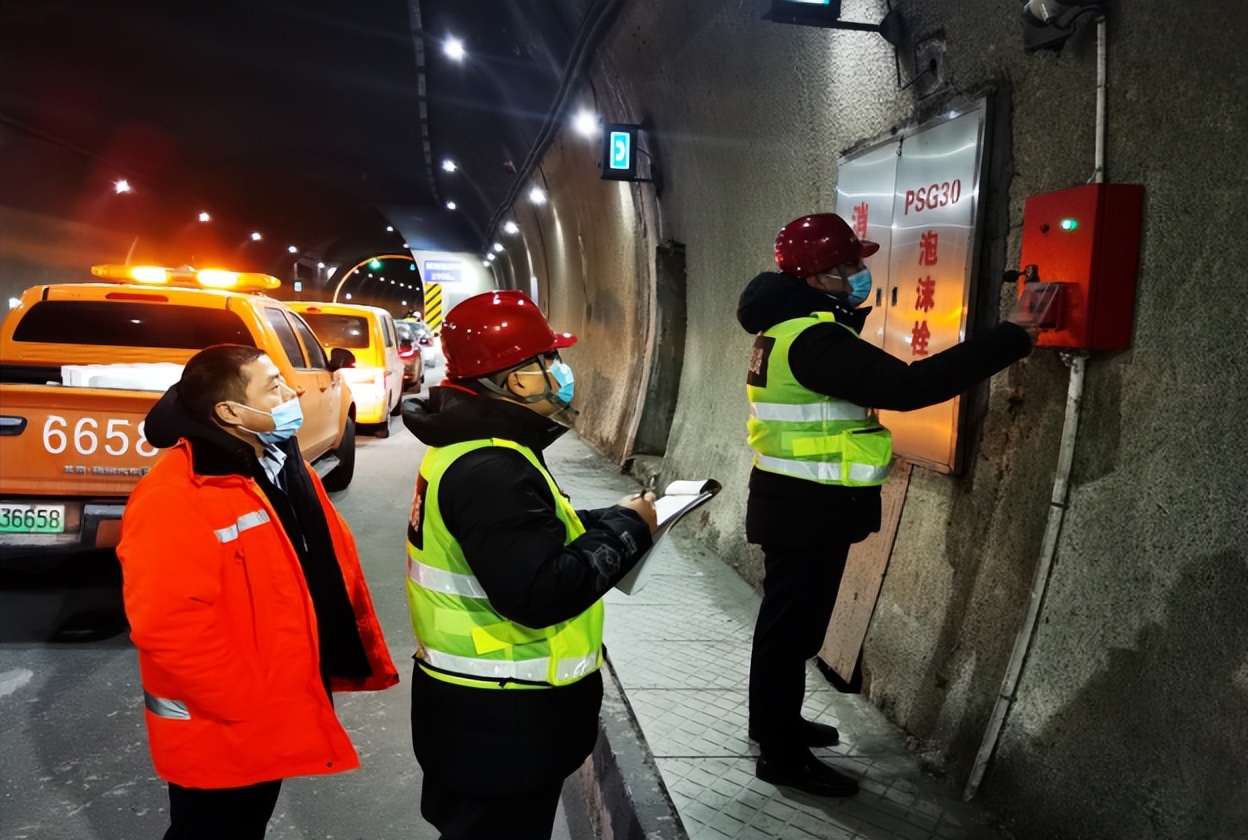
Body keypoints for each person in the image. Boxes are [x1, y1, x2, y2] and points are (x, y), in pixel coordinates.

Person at [737, 213, 1038, 798]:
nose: (859, 273)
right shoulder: (814, 340)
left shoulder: (786, 330)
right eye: (847, 265)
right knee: (789, 633)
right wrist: (1014, 334)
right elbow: (908, 387)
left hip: (794, 500)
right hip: (805, 508)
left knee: (789, 630)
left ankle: (775, 724)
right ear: (814, 277)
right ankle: (781, 755)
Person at [401, 290, 658, 840]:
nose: (561, 371)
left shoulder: (472, 446)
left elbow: (517, 537)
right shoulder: (493, 465)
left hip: (478, 715)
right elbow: (541, 593)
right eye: (550, 359)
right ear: (517, 381)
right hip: (501, 720)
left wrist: (610, 518)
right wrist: (628, 531)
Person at [116, 344, 399, 840]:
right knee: (212, 830)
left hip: (263, 710)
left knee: (246, 824)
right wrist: (248, 705)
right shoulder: (175, 496)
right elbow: (169, 628)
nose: (292, 393)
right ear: (229, 412)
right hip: (224, 723)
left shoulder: (273, 462)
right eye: (273, 387)